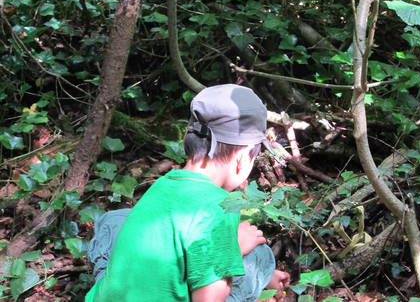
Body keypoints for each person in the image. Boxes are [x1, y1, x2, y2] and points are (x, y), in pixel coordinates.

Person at [85, 84, 290, 302]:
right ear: (242, 158)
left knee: (116, 220)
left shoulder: (162, 185)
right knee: (260, 257)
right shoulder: (220, 208)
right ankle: (261, 271)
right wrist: (231, 250)